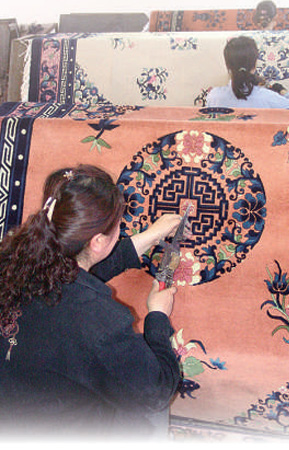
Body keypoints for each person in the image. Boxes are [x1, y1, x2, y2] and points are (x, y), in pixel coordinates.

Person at [0, 164, 187, 440]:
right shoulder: (100, 321)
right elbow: (155, 392)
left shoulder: (16, 259)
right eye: (118, 225)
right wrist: (157, 318)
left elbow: (73, 271)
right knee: (149, 405)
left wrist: (148, 238)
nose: (120, 229)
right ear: (97, 241)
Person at [206, 36, 289, 110]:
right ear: (254, 65)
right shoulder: (269, 98)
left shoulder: (213, 97)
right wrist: (283, 92)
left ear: (227, 65)